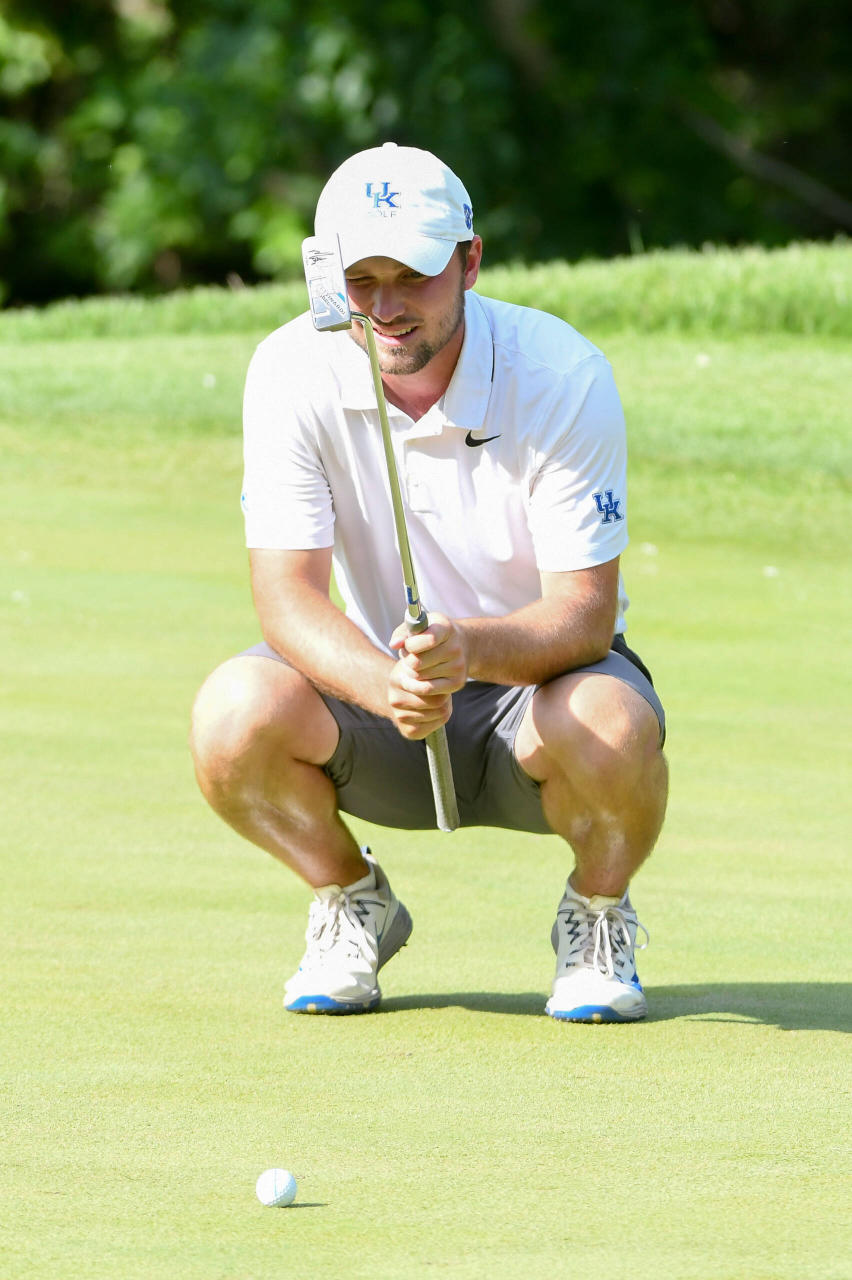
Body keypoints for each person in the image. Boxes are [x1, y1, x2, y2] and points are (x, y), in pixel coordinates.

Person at [190, 143, 668, 1023]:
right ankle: (352, 899)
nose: (387, 307)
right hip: (379, 698)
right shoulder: (291, 368)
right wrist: (391, 683)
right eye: (361, 279)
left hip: (539, 699)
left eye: (411, 275)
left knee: (615, 720)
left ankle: (599, 913)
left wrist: (466, 650)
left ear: (470, 261)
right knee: (231, 713)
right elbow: (286, 595)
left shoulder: (560, 373)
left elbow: (586, 613)